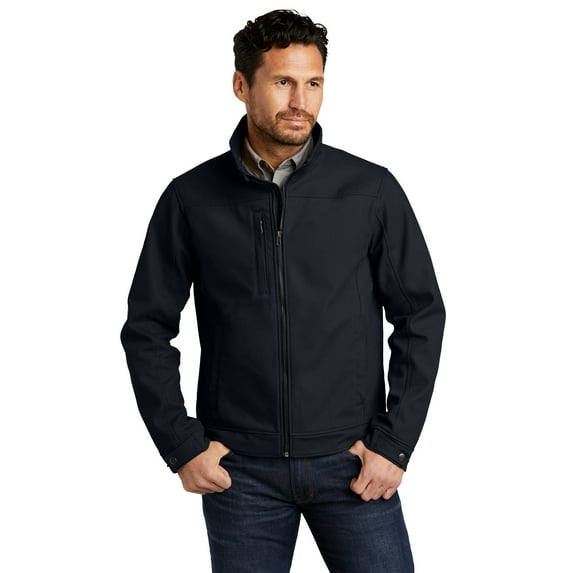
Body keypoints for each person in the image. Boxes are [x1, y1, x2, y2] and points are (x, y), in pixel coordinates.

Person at [120, 9, 445, 572]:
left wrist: (395, 444)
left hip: (353, 464)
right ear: (241, 85)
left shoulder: (369, 190)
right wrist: (181, 444)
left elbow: (420, 315)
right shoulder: (190, 198)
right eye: (283, 82)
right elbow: (147, 328)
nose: (301, 101)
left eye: (313, 83)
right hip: (240, 473)